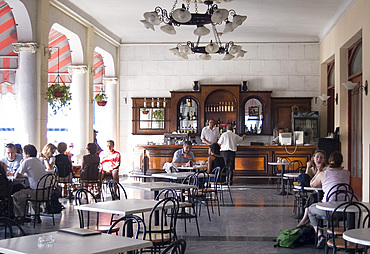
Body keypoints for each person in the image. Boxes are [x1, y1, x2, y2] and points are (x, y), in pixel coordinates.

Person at [296, 151, 350, 249]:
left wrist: (318, 173)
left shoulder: (323, 174)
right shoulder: (347, 173)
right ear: (341, 161)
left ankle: (320, 235)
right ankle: (342, 237)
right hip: (345, 210)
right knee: (329, 207)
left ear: (328, 161)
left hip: (329, 211)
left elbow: (311, 184)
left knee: (311, 210)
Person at [12, 144, 47, 224]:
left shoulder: (27, 161)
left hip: (36, 193)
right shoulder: (38, 160)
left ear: (27, 154)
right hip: (46, 192)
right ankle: (35, 216)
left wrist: (21, 164)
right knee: (30, 191)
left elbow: (16, 175)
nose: (22, 155)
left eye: (23, 154)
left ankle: (20, 216)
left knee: (16, 196)